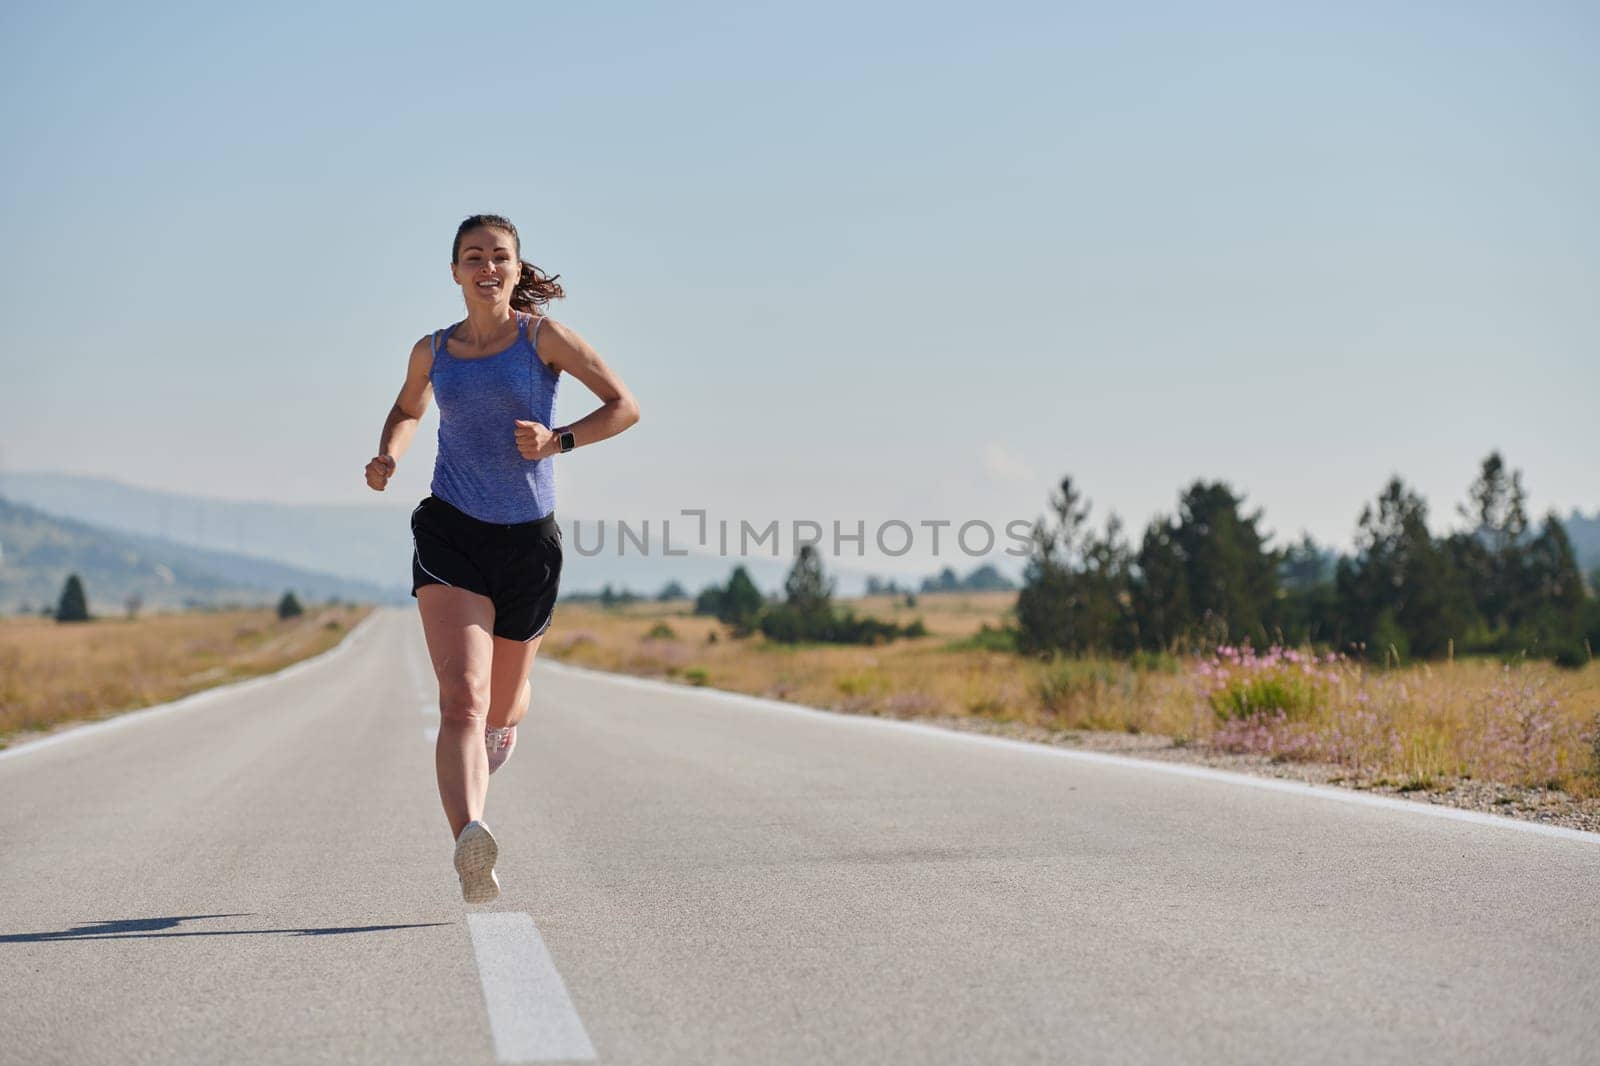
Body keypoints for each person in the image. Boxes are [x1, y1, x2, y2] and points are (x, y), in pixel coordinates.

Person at [364, 214, 640, 903]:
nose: (487, 267)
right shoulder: (433, 351)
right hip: (451, 531)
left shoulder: (542, 338)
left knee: (503, 710)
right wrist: (390, 455)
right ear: (455, 271)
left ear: (516, 271)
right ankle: (471, 838)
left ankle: (501, 735)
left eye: (499, 257)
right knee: (461, 700)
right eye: (473, 257)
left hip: (528, 543)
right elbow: (406, 410)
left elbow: (623, 406)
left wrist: (558, 442)